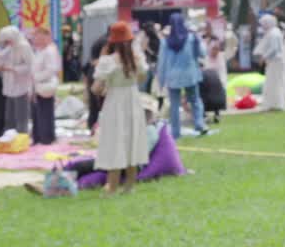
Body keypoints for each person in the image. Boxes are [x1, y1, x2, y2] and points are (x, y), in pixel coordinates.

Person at [92, 21, 150, 195]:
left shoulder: (107, 61)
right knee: (133, 139)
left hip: (115, 101)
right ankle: (130, 185)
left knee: (114, 140)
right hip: (132, 99)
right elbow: (140, 80)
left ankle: (112, 185)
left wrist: (103, 87)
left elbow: (97, 87)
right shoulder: (137, 59)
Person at [156, 12, 210, 139]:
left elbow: (162, 63)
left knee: (174, 105)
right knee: (195, 100)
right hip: (190, 75)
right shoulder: (191, 38)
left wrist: (161, 81)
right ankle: (199, 124)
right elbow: (202, 53)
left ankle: (175, 131)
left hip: (173, 78)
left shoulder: (165, 42)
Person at [0, 27, 33, 136]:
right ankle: (9, 138)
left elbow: (29, 66)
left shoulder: (24, 46)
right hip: (9, 87)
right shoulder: (10, 46)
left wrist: (11, 68)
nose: (7, 43)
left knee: (21, 117)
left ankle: (22, 138)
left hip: (21, 87)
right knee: (9, 117)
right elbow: (0, 56)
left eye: (8, 41)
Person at [29, 26, 61, 145]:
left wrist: (36, 77)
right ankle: (38, 136)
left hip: (45, 85)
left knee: (45, 112)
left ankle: (46, 137)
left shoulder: (50, 50)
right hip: (38, 85)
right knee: (37, 113)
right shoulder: (39, 50)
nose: (34, 39)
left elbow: (52, 69)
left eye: (37, 36)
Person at [252, 14, 285, 111]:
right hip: (275, 61)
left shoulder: (273, 33)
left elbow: (274, 49)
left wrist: (264, 57)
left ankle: (274, 103)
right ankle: (274, 103)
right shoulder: (274, 32)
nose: (262, 26)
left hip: (275, 61)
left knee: (273, 83)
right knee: (274, 83)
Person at [84, 30, 109, 131]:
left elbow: (89, 62)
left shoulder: (99, 40)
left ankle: (92, 126)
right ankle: (98, 127)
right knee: (101, 103)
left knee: (93, 104)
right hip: (98, 75)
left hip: (92, 73)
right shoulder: (106, 42)